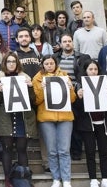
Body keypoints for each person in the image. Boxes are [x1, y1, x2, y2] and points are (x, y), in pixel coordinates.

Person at [0, 52, 37, 187]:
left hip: (22, 117)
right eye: (8, 61)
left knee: (22, 148)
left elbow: (33, 101)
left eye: (13, 61)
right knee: (7, 149)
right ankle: (8, 179)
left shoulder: (25, 78)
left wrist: (30, 88)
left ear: (17, 63)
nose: (11, 64)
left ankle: (24, 178)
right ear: (5, 64)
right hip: (6, 118)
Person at [33, 55, 76, 187]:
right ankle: (56, 178)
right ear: (43, 65)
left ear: (55, 64)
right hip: (46, 118)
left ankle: (66, 179)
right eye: (47, 63)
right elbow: (36, 101)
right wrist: (42, 88)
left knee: (64, 150)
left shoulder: (64, 75)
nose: (49, 65)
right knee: (51, 150)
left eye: (52, 63)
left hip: (65, 118)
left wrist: (70, 88)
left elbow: (72, 99)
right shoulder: (37, 78)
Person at [73, 60, 107, 187]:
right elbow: (77, 109)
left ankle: (105, 178)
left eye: (95, 69)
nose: (93, 72)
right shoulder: (80, 85)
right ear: (85, 71)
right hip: (87, 125)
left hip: (103, 123)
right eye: (90, 69)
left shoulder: (105, 84)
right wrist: (78, 97)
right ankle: (93, 179)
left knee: (104, 152)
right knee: (90, 152)